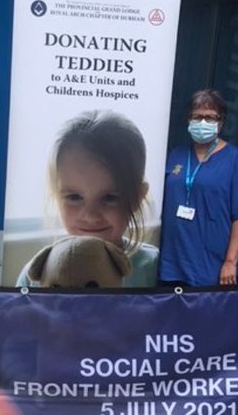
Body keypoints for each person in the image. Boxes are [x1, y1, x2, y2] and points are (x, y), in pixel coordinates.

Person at [16, 110, 158, 288]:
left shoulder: (155, 270)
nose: (91, 216)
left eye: (109, 198)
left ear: (137, 198)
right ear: (56, 197)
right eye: (74, 197)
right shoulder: (35, 276)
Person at [158, 89, 238, 286]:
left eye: (210, 117)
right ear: (188, 120)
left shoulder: (234, 160)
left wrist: (231, 262)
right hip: (172, 266)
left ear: (220, 122)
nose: (203, 123)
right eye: (197, 117)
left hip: (211, 267)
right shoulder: (175, 155)